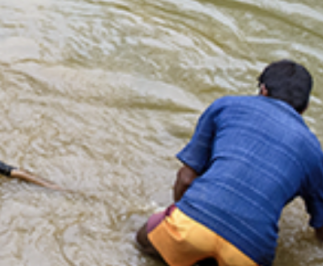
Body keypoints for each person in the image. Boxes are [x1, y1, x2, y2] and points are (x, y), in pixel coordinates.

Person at [136, 59, 323, 266]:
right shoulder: (313, 150)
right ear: (305, 108)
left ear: (263, 90)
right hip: (248, 254)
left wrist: (184, 214)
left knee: (144, 237)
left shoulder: (226, 106)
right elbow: (321, 225)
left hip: (191, 231)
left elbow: (186, 178)